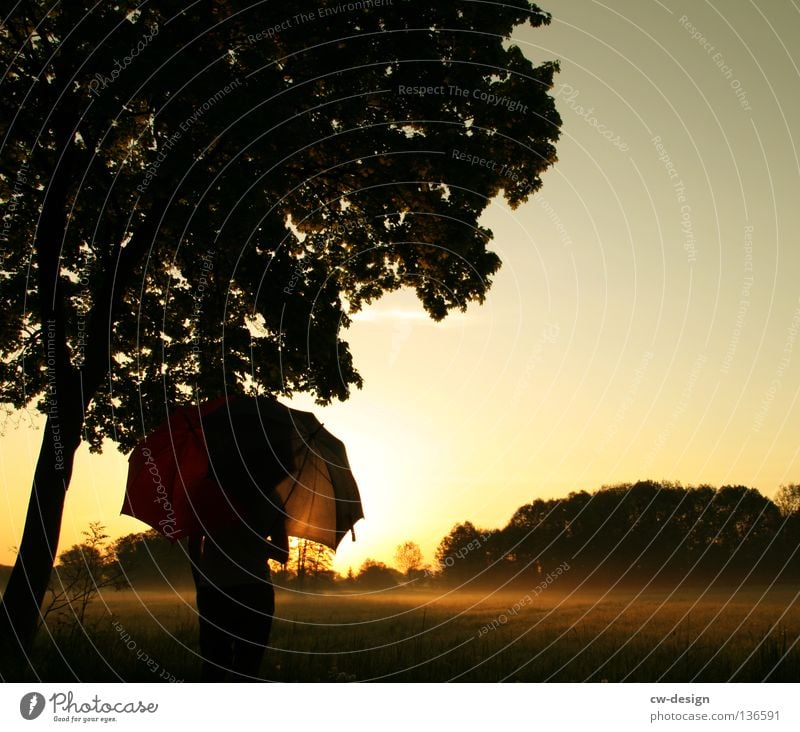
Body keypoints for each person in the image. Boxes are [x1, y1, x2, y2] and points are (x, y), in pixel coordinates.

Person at [187, 487, 289, 682]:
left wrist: (200, 583)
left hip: (214, 591)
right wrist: (257, 540)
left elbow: (193, 544)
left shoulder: (208, 492)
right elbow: (282, 554)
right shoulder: (273, 497)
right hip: (256, 593)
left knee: (213, 666)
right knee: (247, 669)